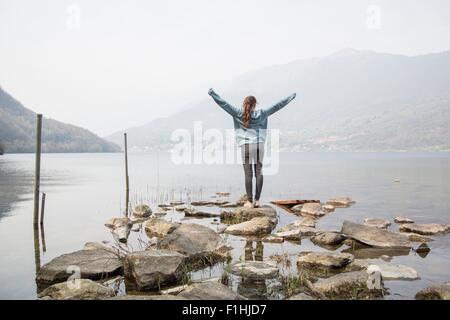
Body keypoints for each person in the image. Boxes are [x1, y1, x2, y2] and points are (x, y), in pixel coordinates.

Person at [208, 88, 296, 208]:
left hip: (246, 146)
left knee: (248, 175)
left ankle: (249, 202)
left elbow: (223, 104)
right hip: (259, 145)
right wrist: (291, 96)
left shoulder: (238, 112)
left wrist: (212, 93)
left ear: (244, 104)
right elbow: (278, 105)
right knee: (259, 173)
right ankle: (257, 200)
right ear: (255, 105)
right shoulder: (262, 113)